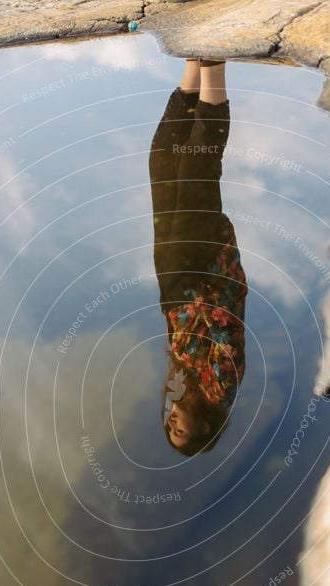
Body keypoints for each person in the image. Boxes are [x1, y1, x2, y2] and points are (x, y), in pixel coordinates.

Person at [149, 59, 247, 455]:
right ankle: (213, 65)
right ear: (205, 426)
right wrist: (203, 276)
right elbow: (226, 318)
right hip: (201, 268)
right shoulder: (220, 388)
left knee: (163, 162)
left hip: (173, 277)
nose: (172, 420)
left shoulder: (183, 384)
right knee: (198, 167)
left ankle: (193, 65)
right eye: (182, 431)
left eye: (169, 427)